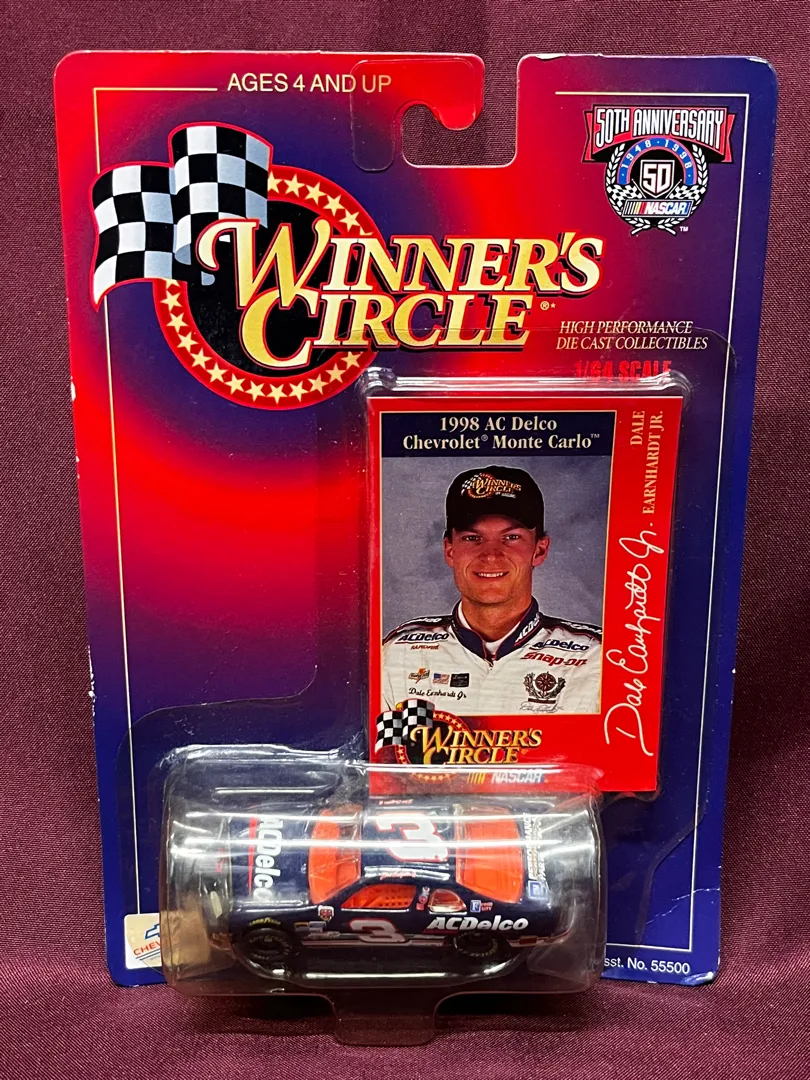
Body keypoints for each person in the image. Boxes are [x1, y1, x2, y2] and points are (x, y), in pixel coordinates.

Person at [381, 465, 602, 715]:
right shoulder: (399, 654)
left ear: (539, 550)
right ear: (450, 550)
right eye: (472, 538)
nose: (491, 555)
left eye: (511, 538)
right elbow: (375, 741)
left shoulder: (595, 659)